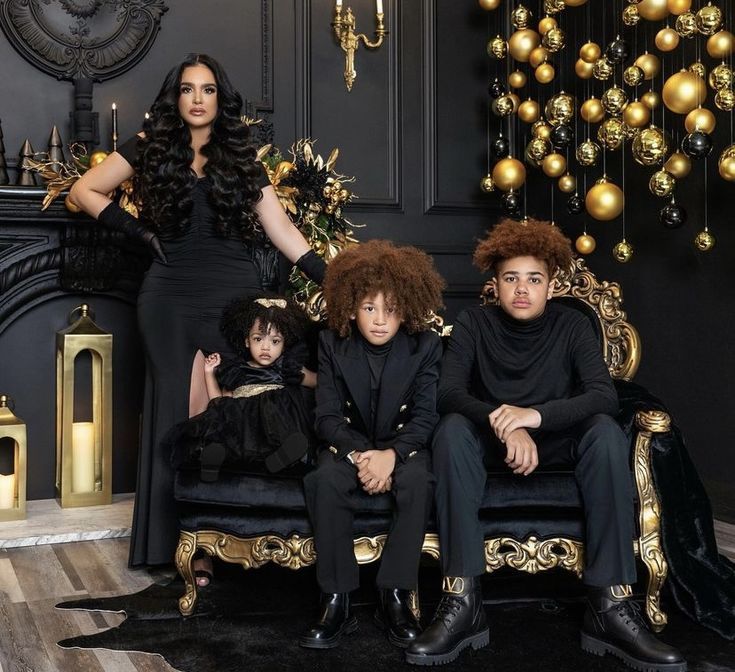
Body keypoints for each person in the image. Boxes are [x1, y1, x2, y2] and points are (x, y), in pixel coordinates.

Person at [68, 53, 326, 568]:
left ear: (219, 99)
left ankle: (219, 537)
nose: (198, 99)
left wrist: (334, 277)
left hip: (234, 299)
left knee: (225, 407)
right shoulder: (149, 147)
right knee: (173, 409)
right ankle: (173, 547)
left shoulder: (241, 158)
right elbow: (83, 189)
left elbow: (282, 231)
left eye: (208, 89)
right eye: (188, 89)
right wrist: (136, 230)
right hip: (168, 297)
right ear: (176, 97)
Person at [406, 218, 686, 672]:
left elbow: (602, 393)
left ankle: (610, 606)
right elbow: (449, 393)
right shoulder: (474, 323)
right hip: (490, 445)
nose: (522, 289)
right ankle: (462, 601)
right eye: (510, 278)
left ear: (551, 284)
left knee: (604, 430)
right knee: (453, 428)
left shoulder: (573, 326)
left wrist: (532, 418)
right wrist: (507, 425)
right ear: (494, 284)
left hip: (558, 442)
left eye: (533, 279)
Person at [299, 240, 445, 651]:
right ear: (349, 307)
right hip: (352, 446)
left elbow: (425, 417)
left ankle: (394, 596)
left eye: (391, 308)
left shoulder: (426, 346)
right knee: (324, 480)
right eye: (369, 308)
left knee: (419, 484)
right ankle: (336, 598)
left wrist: (392, 456)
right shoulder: (331, 343)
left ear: (407, 308)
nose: (380, 320)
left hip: (405, 447)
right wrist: (360, 456)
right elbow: (326, 416)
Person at [166, 295, 317, 483]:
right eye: (258, 338)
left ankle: (279, 457)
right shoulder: (236, 370)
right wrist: (209, 373)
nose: (266, 347)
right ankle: (216, 456)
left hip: (274, 424)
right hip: (242, 425)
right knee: (226, 421)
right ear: (247, 341)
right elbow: (219, 402)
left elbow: (316, 381)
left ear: (284, 344)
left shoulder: (286, 367)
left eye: (275, 341)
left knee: (281, 419)